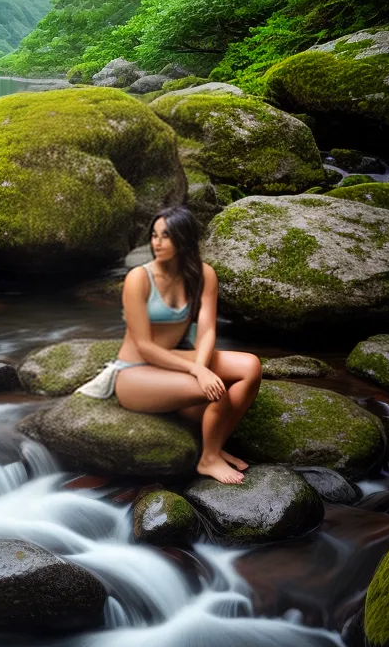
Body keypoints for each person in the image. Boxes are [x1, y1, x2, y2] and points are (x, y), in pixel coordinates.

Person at [78, 205, 262, 484]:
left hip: (176, 359)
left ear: (183, 239)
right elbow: (145, 347)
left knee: (251, 366)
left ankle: (214, 444)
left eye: (165, 236)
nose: (156, 242)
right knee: (216, 391)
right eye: (154, 235)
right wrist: (199, 371)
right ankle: (208, 459)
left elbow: (208, 329)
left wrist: (200, 365)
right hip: (135, 372)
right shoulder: (138, 279)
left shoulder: (203, 275)